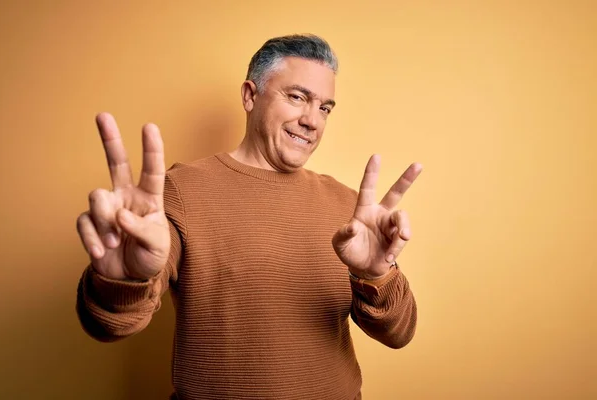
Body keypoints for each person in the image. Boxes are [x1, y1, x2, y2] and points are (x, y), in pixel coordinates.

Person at [75, 34, 422, 400]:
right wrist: (122, 281)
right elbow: (109, 325)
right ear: (250, 96)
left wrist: (376, 275)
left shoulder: (349, 208)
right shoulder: (178, 190)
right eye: (297, 97)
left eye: (325, 108)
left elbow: (399, 334)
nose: (312, 121)